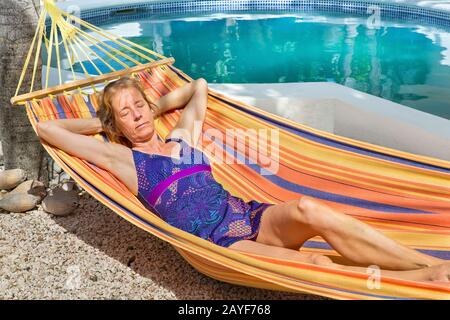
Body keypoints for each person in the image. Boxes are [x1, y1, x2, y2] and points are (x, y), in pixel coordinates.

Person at [36, 76, 450, 283]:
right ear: (117, 125)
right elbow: (49, 131)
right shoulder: (124, 159)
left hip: (251, 217)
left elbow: (197, 87)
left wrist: (153, 103)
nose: (139, 116)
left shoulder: (182, 136)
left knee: (310, 208)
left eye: (140, 106)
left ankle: (428, 262)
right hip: (222, 245)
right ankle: (413, 280)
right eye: (126, 113)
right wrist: (105, 122)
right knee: (317, 263)